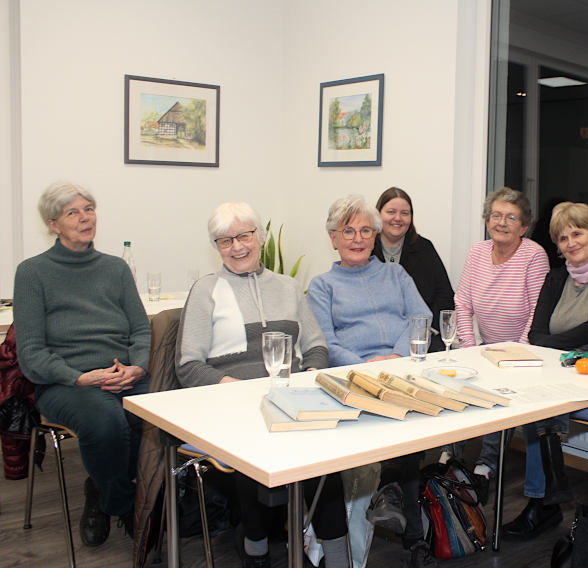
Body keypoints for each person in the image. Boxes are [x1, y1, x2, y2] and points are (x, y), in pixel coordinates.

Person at [176, 202, 348, 568]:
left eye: (244, 236)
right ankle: (255, 548)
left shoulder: (287, 287)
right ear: (216, 247)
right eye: (225, 240)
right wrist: (233, 386)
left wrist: (307, 378)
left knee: (326, 455)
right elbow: (188, 365)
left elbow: (316, 345)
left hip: (294, 394)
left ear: (261, 237)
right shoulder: (205, 290)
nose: (237, 246)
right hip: (234, 400)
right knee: (256, 446)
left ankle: (337, 559)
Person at [14, 181, 150, 546]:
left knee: (163, 414)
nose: (85, 217)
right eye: (72, 212)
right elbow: (31, 354)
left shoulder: (115, 269)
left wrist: (137, 367)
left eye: (88, 208)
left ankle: (105, 485)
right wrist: (80, 378)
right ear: (53, 224)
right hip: (63, 383)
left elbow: (140, 329)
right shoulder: (31, 273)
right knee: (106, 423)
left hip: (124, 374)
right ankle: (123, 504)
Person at [307, 194, 433, 568]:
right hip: (352, 377)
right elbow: (324, 343)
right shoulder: (322, 285)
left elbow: (421, 318)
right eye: (348, 231)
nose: (358, 238)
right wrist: (365, 365)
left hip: (402, 368)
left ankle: (392, 502)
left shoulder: (396, 274)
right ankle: (355, 549)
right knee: (365, 466)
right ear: (333, 238)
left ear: (375, 236)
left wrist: (393, 357)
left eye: (365, 231)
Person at [503, 202, 588, 537]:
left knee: (542, 407)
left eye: (576, 233)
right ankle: (545, 500)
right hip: (564, 375)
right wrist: (555, 348)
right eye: (562, 238)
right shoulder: (556, 277)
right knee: (535, 403)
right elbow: (536, 332)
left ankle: (545, 502)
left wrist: (552, 345)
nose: (570, 243)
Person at [444, 187, 550, 485]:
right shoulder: (478, 251)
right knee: (457, 380)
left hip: (525, 350)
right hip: (484, 346)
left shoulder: (534, 255)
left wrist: (518, 352)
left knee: (497, 389)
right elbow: (462, 303)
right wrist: (469, 346)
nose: (502, 222)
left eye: (511, 217)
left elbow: (537, 311)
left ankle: (487, 462)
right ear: (487, 220)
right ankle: (450, 455)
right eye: (496, 215)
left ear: (524, 226)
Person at [373, 186, 454, 353]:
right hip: (379, 335)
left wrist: (427, 329)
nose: (398, 218)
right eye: (391, 212)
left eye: (405, 213)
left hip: (422, 333)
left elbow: (445, 295)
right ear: (378, 215)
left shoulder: (424, 248)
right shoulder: (365, 249)